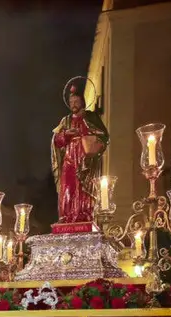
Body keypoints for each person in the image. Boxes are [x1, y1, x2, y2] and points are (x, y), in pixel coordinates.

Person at [50, 77, 109, 225]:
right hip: (69, 158)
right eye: (71, 103)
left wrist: (84, 134)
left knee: (83, 188)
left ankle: (84, 215)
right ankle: (67, 216)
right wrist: (65, 135)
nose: (73, 105)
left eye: (76, 102)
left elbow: (103, 136)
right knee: (68, 188)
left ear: (82, 102)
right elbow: (56, 140)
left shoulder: (91, 117)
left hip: (85, 160)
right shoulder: (65, 120)